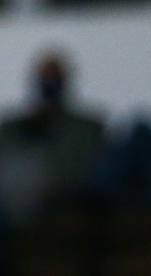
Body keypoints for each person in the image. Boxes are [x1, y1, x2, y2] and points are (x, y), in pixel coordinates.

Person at [0, 52, 105, 224]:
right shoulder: (14, 128)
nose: (50, 86)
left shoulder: (88, 128)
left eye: (55, 80)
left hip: (71, 195)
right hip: (20, 200)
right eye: (46, 80)